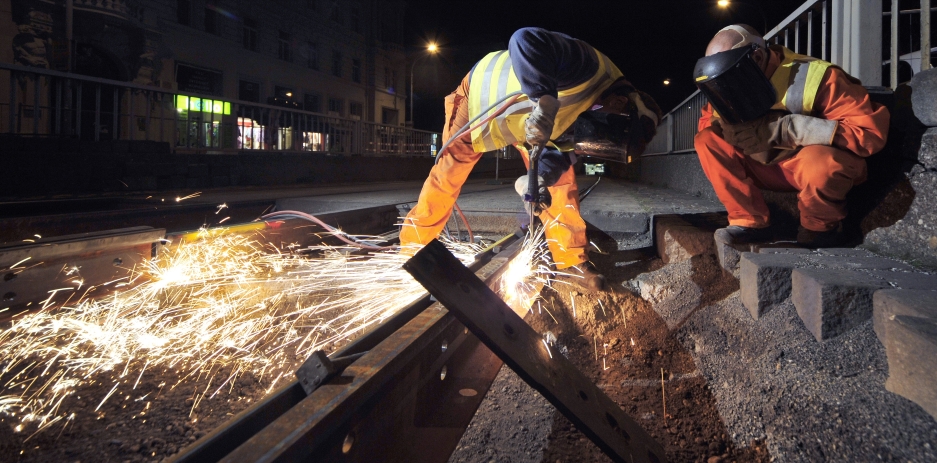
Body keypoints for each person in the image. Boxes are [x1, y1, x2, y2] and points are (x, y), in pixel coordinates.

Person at [399, 27, 661, 291]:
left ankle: (571, 260)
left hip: (528, 124)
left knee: (562, 185)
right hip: (479, 97)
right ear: (617, 104)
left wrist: (538, 181)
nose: (596, 146)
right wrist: (544, 101)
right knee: (448, 175)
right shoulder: (587, 66)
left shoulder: (598, 116)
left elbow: (560, 154)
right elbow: (524, 39)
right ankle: (413, 251)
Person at [694, 25, 890, 248]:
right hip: (767, 169)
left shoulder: (816, 77)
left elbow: (869, 134)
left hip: (809, 169)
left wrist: (791, 129)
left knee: (822, 162)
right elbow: (708, 131)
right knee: (707, 140)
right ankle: (748, 221)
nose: (729, 87)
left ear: (757, 57)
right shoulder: (726, 86)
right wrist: (726, 130)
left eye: (732, 76)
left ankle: (819, 228)